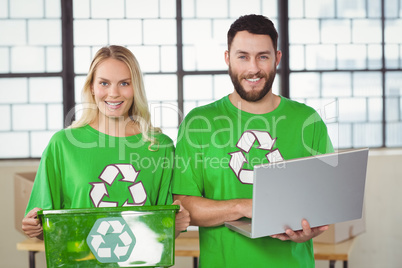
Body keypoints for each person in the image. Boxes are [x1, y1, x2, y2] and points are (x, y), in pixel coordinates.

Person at [172, 14, 334, 267]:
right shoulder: (198, 123)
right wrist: (245, 207)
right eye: (243, 56)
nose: (253, 68)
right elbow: (183, 206)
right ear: (228, 58)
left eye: (263, 56)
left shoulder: (308, 120)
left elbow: (325, 199)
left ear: (277, 58)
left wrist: (310, 230)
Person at [22, 45, 190, 240]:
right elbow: (50, 227)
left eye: (124, 83)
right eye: (104, 83)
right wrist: (37, 229)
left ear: (135, 88)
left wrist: (177, 225)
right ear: (91, 87)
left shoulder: (160, 147)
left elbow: (163, 232)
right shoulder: (63, 144)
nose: (114, 93)